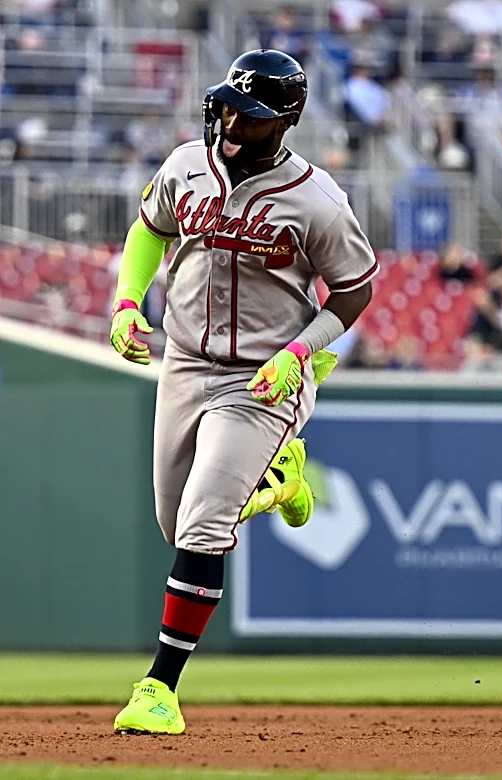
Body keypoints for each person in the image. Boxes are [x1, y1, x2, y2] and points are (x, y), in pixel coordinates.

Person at [108, 50, 378, 735]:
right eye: (228, 102)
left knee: (201, 525)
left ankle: (158, 690)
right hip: (184, 362)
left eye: (250, 113)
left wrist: (301, 353)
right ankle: (281, 480)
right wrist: (125, 302)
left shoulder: (317, 198)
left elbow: (354, 290)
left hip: (262, 376)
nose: (231, 118)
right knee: (178, 526)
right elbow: (150, 228)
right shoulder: (185, 165)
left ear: (284, 120)